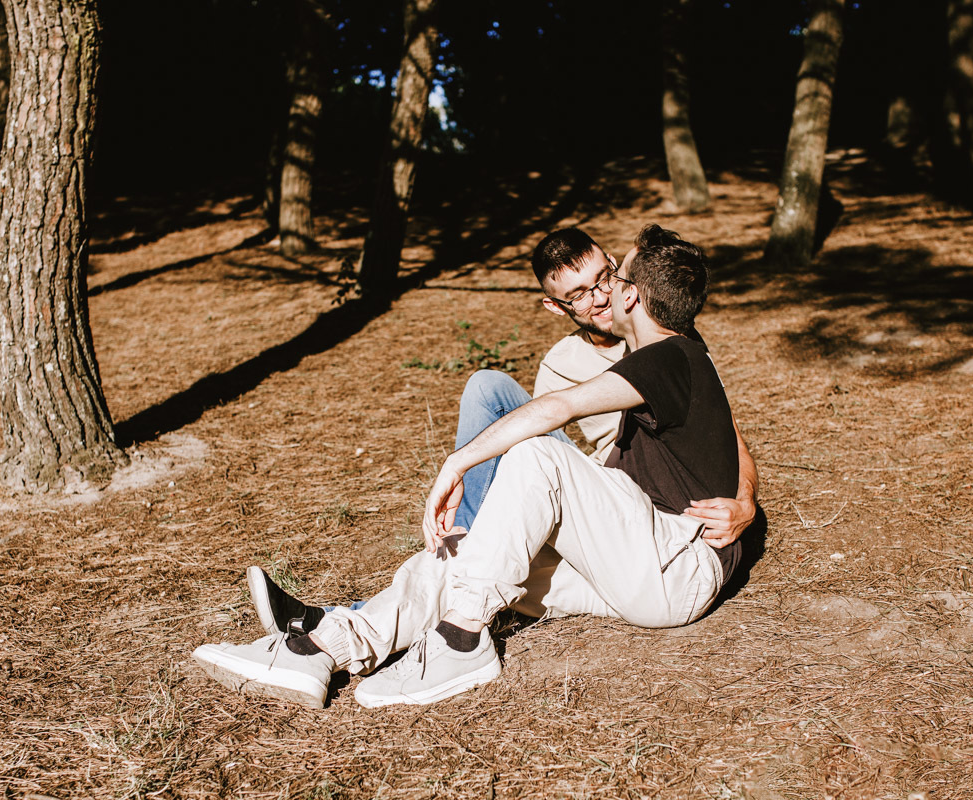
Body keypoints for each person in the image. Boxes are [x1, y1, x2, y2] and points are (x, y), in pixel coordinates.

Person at [194, 224, 755, 709]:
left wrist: (456, 462)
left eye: (613, 278)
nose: (604, 292)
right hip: (630, 564)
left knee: (539, 453)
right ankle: (325, 646)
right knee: (467, 556)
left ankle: (461, 640)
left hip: (673, 565)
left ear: (632, 297)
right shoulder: (639, 356)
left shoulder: (673, 356)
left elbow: (556, 413)